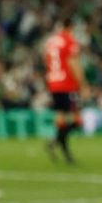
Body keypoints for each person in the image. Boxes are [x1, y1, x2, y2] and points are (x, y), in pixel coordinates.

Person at [43, 15, 86, 165]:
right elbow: (72, 62)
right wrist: (83, 84)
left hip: (53, 83)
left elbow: (46, 60)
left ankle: (58, 147)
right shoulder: (69, 41)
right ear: (71, 27)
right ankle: (60, 147)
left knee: (61, 118)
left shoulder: (51, 41)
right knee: (77, 121)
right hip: (67, 84)